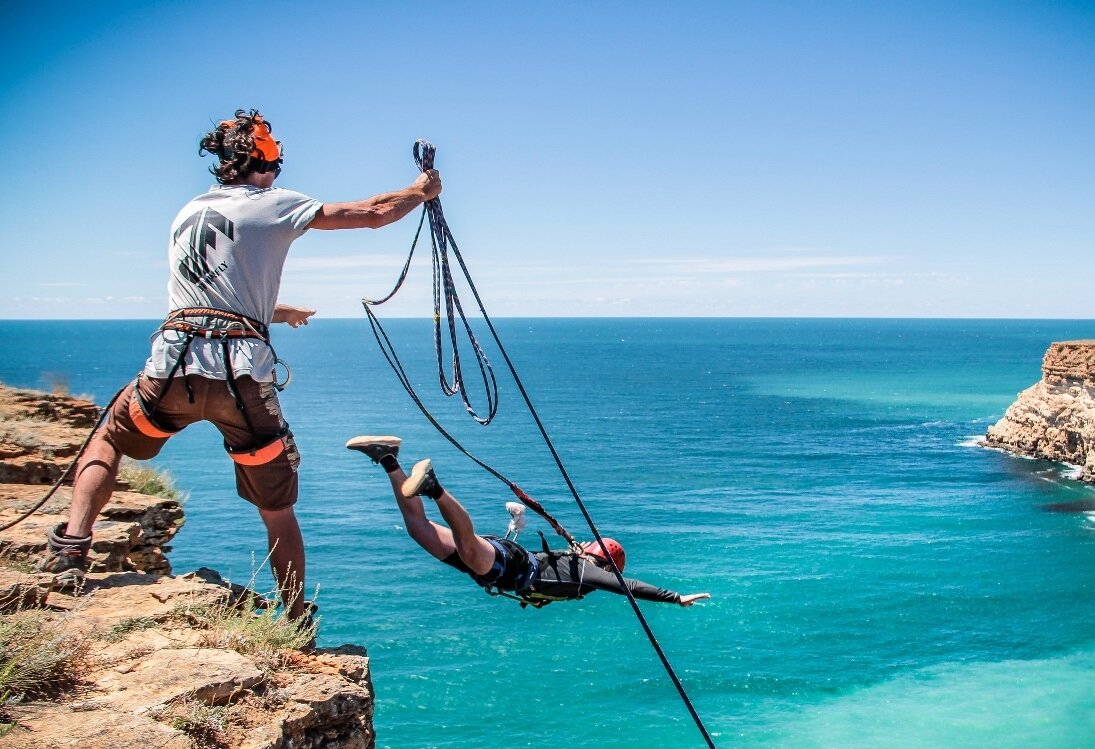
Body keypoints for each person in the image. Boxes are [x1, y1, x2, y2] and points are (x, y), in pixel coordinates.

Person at [39, 109, 442, 622]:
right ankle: (295, 618)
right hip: (241, 381)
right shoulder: (276, 204)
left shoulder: (188, 212)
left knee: (109, 439)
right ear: (266, 165)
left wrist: (280, 308)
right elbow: (375, 211)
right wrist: (421, 189)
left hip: (172, 369)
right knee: (277, 510)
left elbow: (213, 296)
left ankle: (71, 548)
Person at [345, 435, 711, 608]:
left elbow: (619, 581)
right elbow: (626, 586)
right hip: (510, 566)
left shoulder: (580, 565)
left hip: (507, 565)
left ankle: (388, 458)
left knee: (419, 531)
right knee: (469, 545)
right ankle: (434, 487)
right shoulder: (589, 574)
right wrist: (675, 597)